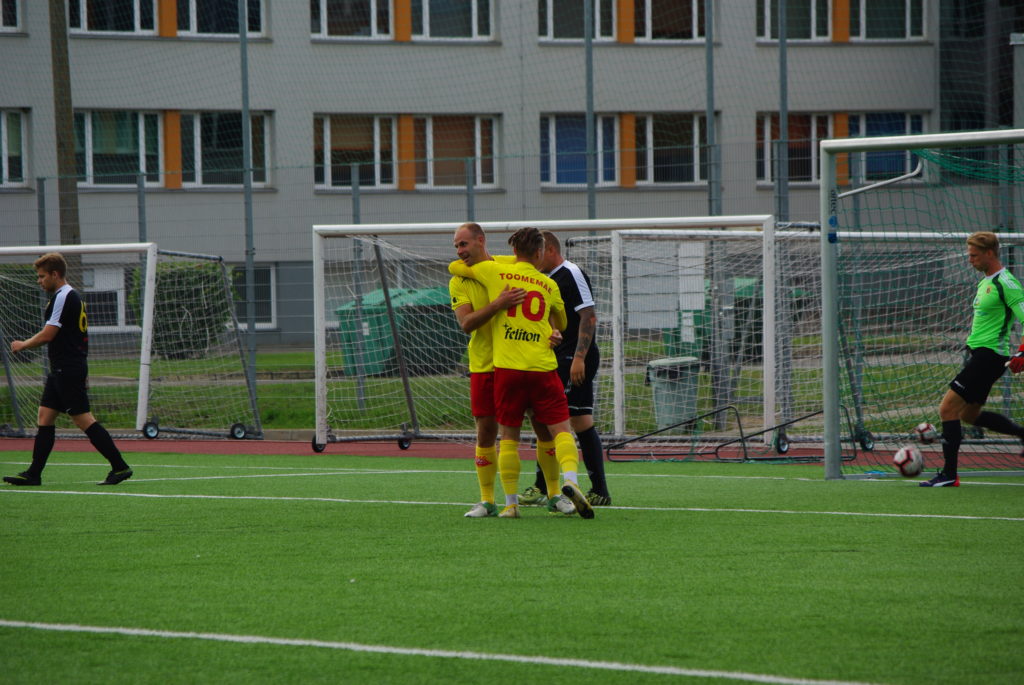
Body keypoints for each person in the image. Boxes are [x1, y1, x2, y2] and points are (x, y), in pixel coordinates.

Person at [449, 227, 594, 519]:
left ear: (481, 241)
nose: (460, 251)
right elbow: (466, 324)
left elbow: (546, 311)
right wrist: (498, 304)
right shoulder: (459, 280)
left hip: (515, 363)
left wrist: (551, 330)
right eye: (456, 246)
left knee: (540, 429)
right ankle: (487, 500)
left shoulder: (503, 266)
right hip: (486, 364)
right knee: (487, 432)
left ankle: (553, 495)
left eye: (464, 244)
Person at [3, 252, 133, 487]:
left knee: (83, 419)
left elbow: (48, 334)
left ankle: (120, 466)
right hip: (62, 368)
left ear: (55, 274)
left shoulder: (64, 296)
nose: (39, 281)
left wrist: (23, 345)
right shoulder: (67, 296)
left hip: (68, 368)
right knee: (45, 416)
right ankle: (34, 473)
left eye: (42, 276)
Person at [923, 231, 1024, 487]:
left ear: (989, 253)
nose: (970, 260)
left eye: (974, 255)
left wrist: (1022, 351)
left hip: (989, 357)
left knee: (947, 409)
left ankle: (949, 475)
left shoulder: (1007, 283)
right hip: (980, 356)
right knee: (969, 414)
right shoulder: (985, 282)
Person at [520, 230, 612, 506]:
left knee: (553, 419)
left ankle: (545, 487)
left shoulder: (571, 272)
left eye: (537, 252)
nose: (534, 258)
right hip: (558, 358)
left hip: (574, 359)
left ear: (548, 250)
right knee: (576, 420)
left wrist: (579, 358)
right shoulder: (545, 279)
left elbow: (589, 316)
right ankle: (597, 490)